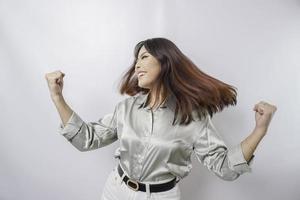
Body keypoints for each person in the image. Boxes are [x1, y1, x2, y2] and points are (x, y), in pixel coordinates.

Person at [45, 37, 277, 200]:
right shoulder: (126, 108)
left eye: (144, 57)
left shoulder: (194, 118)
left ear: (165, 61)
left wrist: (260, 130)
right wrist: (57, 97)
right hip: (115, 190)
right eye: (136, 59)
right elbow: (87, 139)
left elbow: (225, 168)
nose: (137, 65)